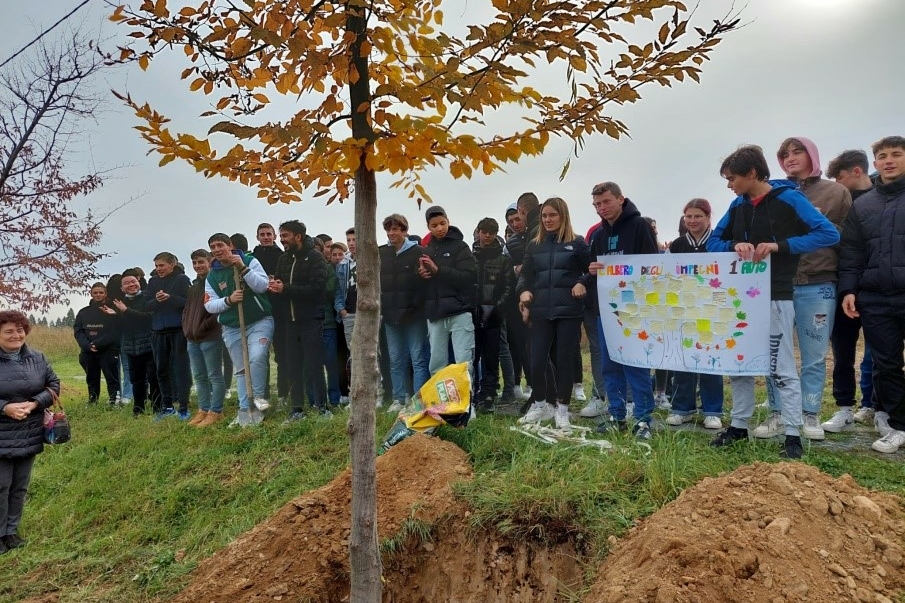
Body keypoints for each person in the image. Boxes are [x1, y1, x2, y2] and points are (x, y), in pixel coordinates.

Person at [706, 145, 839, 459]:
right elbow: (714, 240)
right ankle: (739, 425)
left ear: (752, 174)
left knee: (781, 366)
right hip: (739, 298)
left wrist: (781, 246)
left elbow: (828, 234)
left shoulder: (790, 199)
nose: (729, 185)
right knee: (739, 364)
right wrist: (732, 243)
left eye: (732, 178)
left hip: (776, 295)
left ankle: (792, 433)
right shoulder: (737, 205)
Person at [750, 137, 851, 441]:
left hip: (817, 283)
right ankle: (778, 413)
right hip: (778, 284)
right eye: (785, 154)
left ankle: (809, 415)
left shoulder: (836, 192)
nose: (791, 158)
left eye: (798, 152)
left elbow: (847, 238)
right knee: (773, 353)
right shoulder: (772, 192)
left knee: (815, 356)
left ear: (813, 155)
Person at [838, 136, 905, 453]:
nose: (889, 160)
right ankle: (898, 426)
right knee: (886, 364)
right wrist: (849, 289)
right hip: (876, 298)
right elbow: (851, 252)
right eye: (882, 156)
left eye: (896, 154)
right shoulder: (862, 205)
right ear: (874, 163)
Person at [586, 181, 659, 439]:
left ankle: (643, 419)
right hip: (606, 311)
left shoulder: (640, 227)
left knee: (635, 365)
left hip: (634, 310)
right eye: (596, 204)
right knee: (610, 366)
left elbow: (652, 267)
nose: (602, 208)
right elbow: (591, 269)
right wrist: (591, 270)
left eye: (606, 202)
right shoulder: (598, 235)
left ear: (620, 199)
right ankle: (616, 415)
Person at [517, 198, 590, 431]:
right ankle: (541, 404)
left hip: (568, 311)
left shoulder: (577, 243)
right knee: (536, 361)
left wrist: (581, 282)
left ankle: (562, 410)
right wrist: (524, 291)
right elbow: (525, 276)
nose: (548, 220)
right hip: (540, 311)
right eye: (544, 216)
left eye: (553, 215)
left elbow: (592, 270)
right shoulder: (534, 245)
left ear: (563, 216)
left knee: (564, 361)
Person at [822, 149, 879, 433]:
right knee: (842, 351)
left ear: (857, 172)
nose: (836, 183)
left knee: (880, 353)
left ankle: (875, 407)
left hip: (878, 287)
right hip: (844, 284)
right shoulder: (839, 203)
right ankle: (844, 407)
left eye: (839, 177)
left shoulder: (886, 198)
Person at [0, 310, 60, 555]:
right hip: (2, 433)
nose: (16, 335)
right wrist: (5, 408)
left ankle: (11, 533)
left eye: (20, 330)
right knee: (1, 487)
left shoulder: (38, 357)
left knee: (20, 486)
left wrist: (35, 403)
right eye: (9, 331)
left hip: (29, 432)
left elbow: (54, 385)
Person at [665, 199, 724, 430]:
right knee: (683, 360)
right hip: (684, 310)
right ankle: (682, 408)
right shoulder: (677, 245)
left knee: (711, 361)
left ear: (708, 217)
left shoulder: (719, 243)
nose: (692, 221)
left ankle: (712, 410)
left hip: (712, 310)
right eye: (688, 216)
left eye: (697, 216)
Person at [204, 233, 274, 427]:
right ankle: (244, 410)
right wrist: (229, 300)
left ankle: (258, 403)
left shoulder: (249, 261)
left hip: (259, 320)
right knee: (241, 369)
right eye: (213, 247)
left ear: (230, 246)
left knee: (257, 356)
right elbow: (209, 305)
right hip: (232, 326)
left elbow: (262, 286)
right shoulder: (212, 275)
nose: (217, 250)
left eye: (220, 245)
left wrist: (242, 269)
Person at [269, 221, 330, 421]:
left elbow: (316, 288)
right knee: (292, 365)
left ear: (298, 236)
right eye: (281, 235)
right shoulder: (283, 258)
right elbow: (280, 284)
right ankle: (297, 410)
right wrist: (275, 286)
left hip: (311, 319)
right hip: (290, 321)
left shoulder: (316, 257)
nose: (281, 239)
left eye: (285, 235)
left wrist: (285, 288)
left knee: (314, 364)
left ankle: (323, 408)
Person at [380, 214, 430, 413]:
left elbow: (425, 282)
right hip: (390, 316)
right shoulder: (381, 253)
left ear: (404, 231)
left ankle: (418, 401)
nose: (392, 233)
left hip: (414, 315)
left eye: (396, 229)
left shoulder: (418, 251)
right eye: (389, 229)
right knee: (395, 359)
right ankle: (398, 399)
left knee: (418, 358)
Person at [419, 206, 477, 378]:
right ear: (428, 227)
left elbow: (469, 277)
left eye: (442, 223)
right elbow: (423, 287)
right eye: (434, 225)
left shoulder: (461, 246)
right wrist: (421, 276)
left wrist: (439, 271)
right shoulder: (426, 250)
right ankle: (441, 403)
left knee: (463, 363)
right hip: (436, 314)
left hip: (459, 311)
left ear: (448, 221)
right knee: (436, 365)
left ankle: (466, 404)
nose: (439, 228)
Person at [472, 217, 514, 412]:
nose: (487, 236)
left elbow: (509, 288)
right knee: (471, 358)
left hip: (494, 316)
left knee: (491, 358)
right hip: (472, 315)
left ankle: (489, 395)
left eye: (491, 232)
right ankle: (472, 393)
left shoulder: (504, 260)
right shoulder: (470, 257)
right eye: (484, 231)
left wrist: (497, 308)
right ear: (478, 231)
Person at [146, 252, 192, 421]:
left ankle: (184, 407)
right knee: (161, 369)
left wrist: (170, 298)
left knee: (181, 369)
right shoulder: (153, 282)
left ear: (172, 264)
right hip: (158, 331)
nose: (158, 269)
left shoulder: (182, 279)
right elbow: (146, 305)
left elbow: (189, 302)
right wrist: (157, 301)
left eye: (162, 265)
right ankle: (167, 406)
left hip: (178, 330)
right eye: (156, 266)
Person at [183, 249, 226, 427]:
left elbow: (218, 310)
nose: (197, 266)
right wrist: (187, 328)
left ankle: (216, 411)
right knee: (199, 376)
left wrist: (202, 327)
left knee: (214, 375)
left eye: (201, 262)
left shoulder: (215, 282)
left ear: (210, 262)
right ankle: (203, 409)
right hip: (192, 338)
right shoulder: (193, 287)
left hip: (210, 337)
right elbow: (186, 311)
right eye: (194, 263)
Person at [110, 272, 162, 417]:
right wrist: (114, 316)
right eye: (127, 283)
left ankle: (158, 407)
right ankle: (138, 408)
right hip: (130, 347)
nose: (131, 285)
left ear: (139, 283)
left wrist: (127, 311)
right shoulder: (120, 303)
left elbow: (149, 318)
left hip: (149, 345)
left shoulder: (147, 298)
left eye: (133, 281)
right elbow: (121, 327)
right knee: (136, 380)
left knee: (154, 378)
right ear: (121, 288)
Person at [253, 222, 287, 403]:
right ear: (257, 237)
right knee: (259, 356)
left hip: (280, 310)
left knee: (282, 355)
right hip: (259, 311)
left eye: (269, 234)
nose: (266, 237)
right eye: (262, 234)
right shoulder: (252, 257)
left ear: (274, 236)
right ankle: (262, 395)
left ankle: (283, 394)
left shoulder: (283, 256)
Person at [73, 282, 121, 406]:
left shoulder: (112, 311)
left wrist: (98, 344)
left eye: (101, 292)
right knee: (92, 378)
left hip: (108, 349)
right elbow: (78, 331)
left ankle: (114, 401)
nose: (98, 295)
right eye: (95, 293)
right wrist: (87, 345)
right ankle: (93, 400)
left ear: (105, 294)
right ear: (91, 294)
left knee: (111, 377)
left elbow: (115, 331)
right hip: (88, 351)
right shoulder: (83, 312)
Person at [334, 227, 358, 349]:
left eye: (354, 239)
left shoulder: (372, 260)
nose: (351, 243)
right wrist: (341, 310)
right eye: (348, 240)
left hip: (366, 312)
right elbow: (338, 289)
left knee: (371, 350)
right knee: (352, 349)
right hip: (349, 312)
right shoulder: (342, 264)